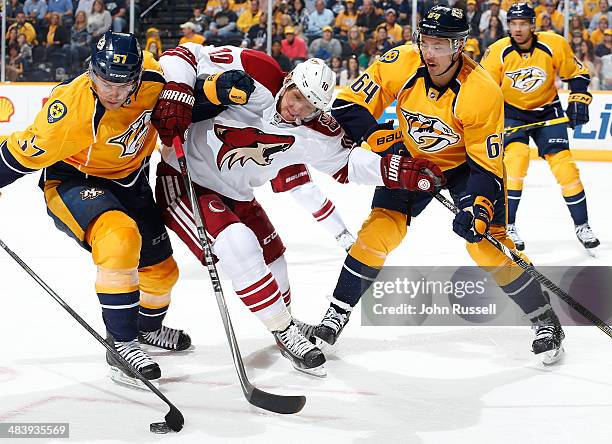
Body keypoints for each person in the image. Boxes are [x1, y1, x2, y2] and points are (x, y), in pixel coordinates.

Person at [152, 44, 443, 376]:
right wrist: (178, 89)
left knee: (275, 256)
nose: (296, 109)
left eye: (309, 106)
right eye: (296, 95)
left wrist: (396, 170)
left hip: (238, 193)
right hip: (185, 180)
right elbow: (184, 53)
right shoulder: (257, 69)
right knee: (239, 245)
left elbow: (346, 164)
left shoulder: (317, 131)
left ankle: (282, 324)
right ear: (288, 80)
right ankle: (284, 330)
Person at [316, 5, 566, 365]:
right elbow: (348, 106)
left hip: (466, 167)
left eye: (440, 44)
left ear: (460, 45)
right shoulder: (399, 62)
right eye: (425, 42)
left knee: (486, 247)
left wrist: (477, 207)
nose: (429, 52)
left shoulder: (481, 90)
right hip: (412, 158)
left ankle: (545, 319)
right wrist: (378, 137)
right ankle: (334, 316)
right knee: (377, 233)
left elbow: (487, 167)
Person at [0, 31, 190, 388]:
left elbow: (187, 71)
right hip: (75, 180)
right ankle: (121, 343)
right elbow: (14, 157)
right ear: (91, 72)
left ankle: (146, 330)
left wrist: (218, 89)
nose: (114, 93)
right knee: (119, 238)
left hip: (130, 180)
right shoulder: (71, 111)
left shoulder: (151, 77)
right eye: (105, 82)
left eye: (123, 84)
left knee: (162, 271)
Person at [481, 3, 599, 251]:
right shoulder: (498, 51)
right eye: (513, 24)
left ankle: (582, 225)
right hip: (512, 114)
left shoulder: (553, 43)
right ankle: (508, 225)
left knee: (565, 168)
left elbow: (576, 74)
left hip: (548, 110)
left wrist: (579, 98)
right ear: (508, 25)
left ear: (533, 25)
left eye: (523, 23)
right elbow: (484, 89)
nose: (518, 29)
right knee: (515, 163)